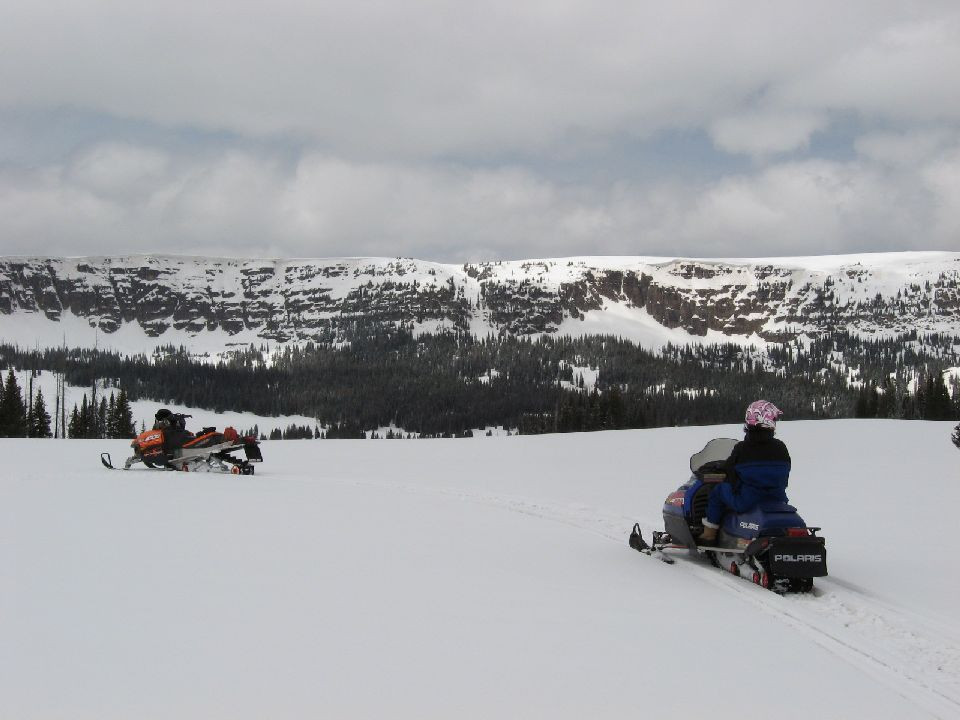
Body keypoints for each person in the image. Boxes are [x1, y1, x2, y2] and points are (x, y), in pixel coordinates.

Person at [700, 400, 791, 543]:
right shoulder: (781, 448)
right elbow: (784, 475)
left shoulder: (742, 449)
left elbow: (729, 473)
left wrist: (717, 470)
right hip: (777, 498)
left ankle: (709, 534)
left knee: (718, 491)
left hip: (747, 501)